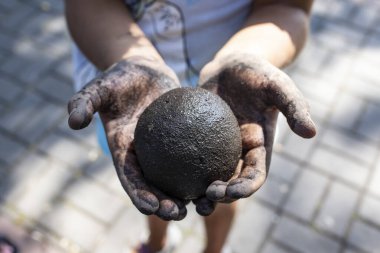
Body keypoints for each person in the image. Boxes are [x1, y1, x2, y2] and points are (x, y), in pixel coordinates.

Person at [65, 0, 316, 252]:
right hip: (132, 97)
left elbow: (289, 6)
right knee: (149, 185)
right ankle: (157, 243)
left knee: (227, 191)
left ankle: (214, 250)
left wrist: (247, 55)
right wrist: (130, 56)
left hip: (234, 92)